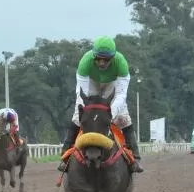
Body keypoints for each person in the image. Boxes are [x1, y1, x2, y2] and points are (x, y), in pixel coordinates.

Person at [57, 36, 144, 173]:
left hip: (113, 83)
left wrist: (111, 112)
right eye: (98, 58)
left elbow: (121, 94)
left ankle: (135, 158)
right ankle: (65, 157)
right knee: (77, 117)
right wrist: (85, 111)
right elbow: (82, 94)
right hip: (90, 83)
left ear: (113, 57)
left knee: (123, 118)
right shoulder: (85, 62)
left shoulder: (121, 63)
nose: (102, 63)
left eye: (106, 59)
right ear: (93, 56)